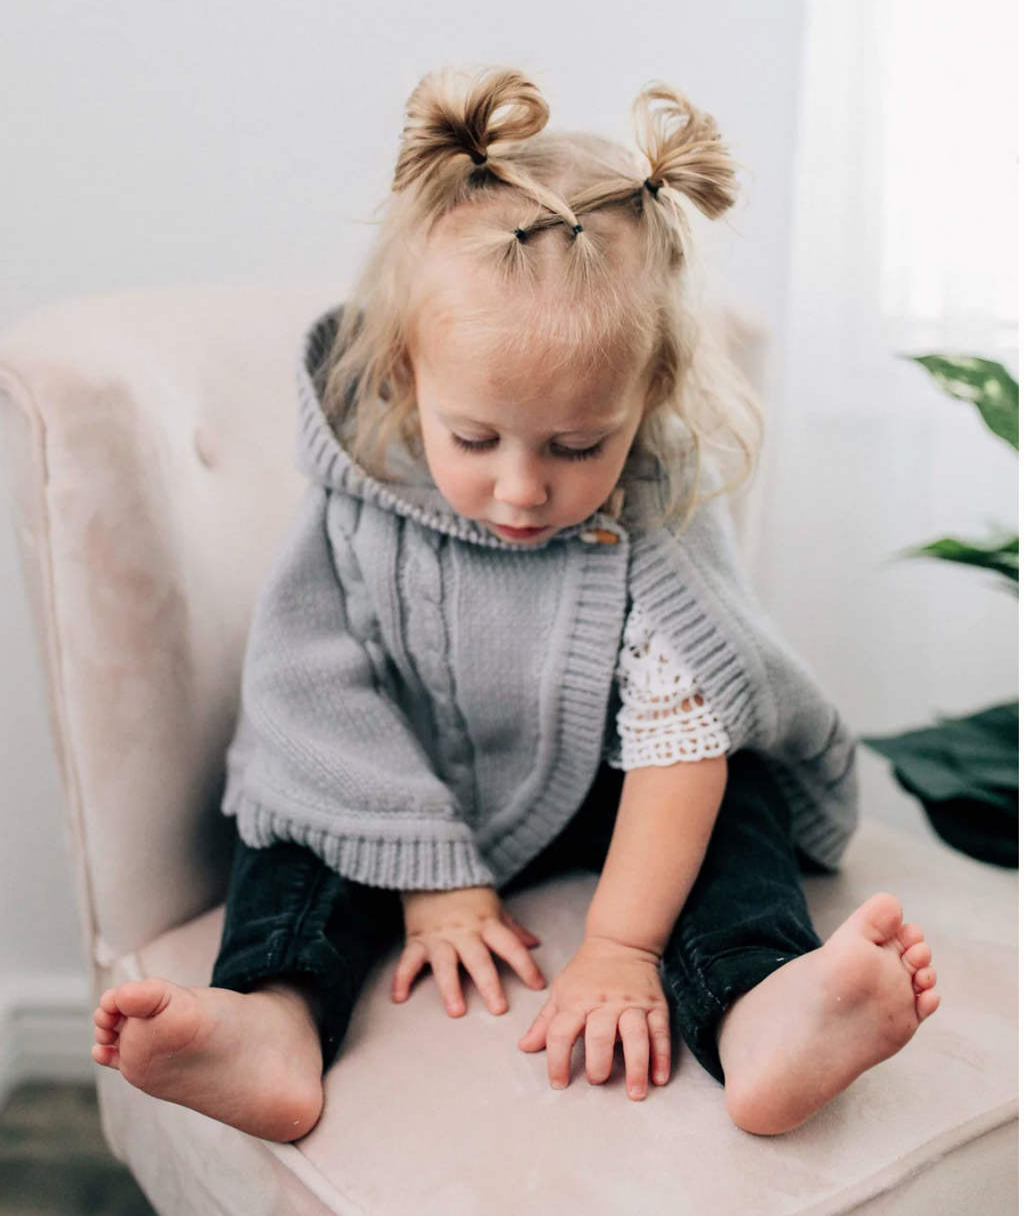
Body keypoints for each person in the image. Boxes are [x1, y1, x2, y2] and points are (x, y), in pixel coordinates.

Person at [90, 66, 939, 1143]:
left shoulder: (659, 511)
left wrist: (620, 948)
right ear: (408, 376)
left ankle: (762, 1005)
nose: (522, 488)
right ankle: (273, 1018)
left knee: (734, 806)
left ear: (650, 396)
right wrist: (432, 875)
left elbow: (682, 739)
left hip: (611, 792)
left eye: (577, 445)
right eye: (475, 438)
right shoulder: (363, 496)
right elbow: (307, 697)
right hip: (401, 779)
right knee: (294, 828)